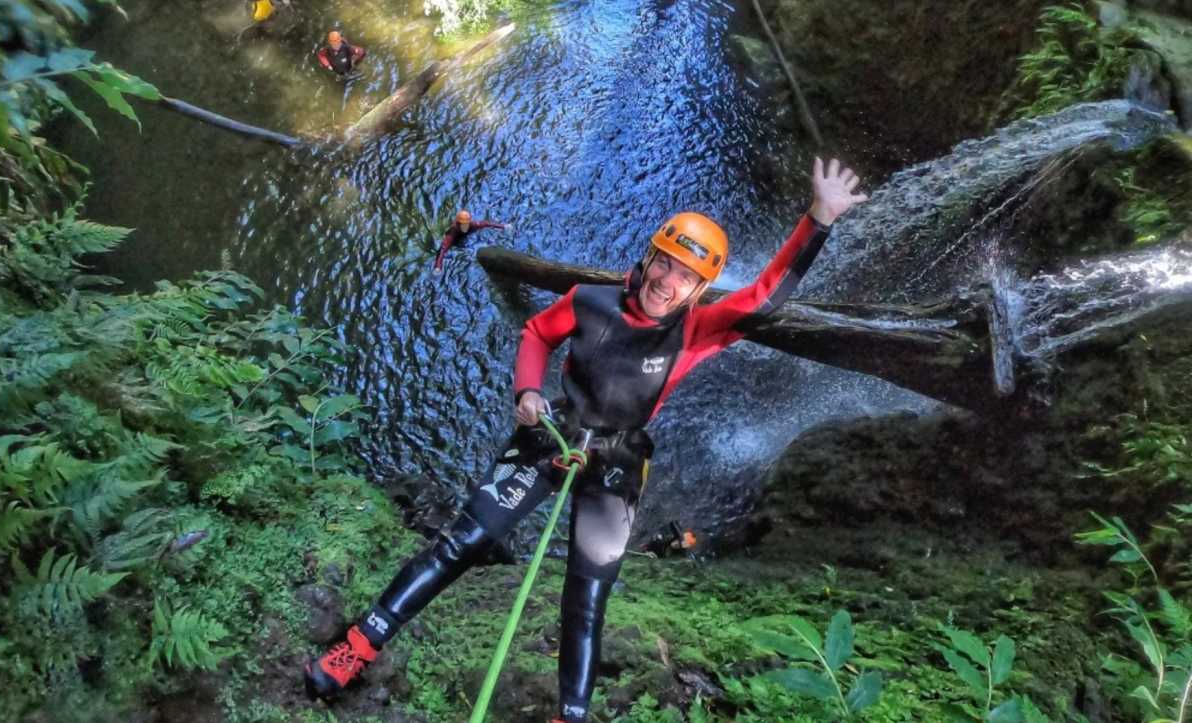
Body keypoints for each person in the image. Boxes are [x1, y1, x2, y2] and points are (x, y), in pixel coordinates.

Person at [305, 157, 868, 722]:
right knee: (462, 542)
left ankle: (571, 715)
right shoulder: (588, 302)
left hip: (618, 458)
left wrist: (818, 219)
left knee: (587, 594)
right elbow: (536, 332)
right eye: (664, 263)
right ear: (647, 258)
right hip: (552, 433)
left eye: (685, 276)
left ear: (698, 290)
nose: (667, 282)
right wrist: (528, 390)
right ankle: (361, 643)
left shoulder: (696, 332)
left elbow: (764, 298)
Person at [432, 210, 508, 273]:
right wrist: (438, 267)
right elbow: (442, 250)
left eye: (467, 224)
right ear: (458, 224)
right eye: (463, 225)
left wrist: (503, 226)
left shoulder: (472, 225)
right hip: (456, 241)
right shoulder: (452, 233)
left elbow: (486, 224)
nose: (466, 226)